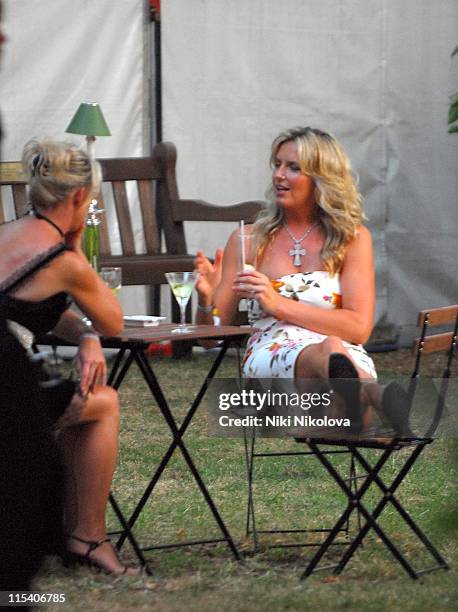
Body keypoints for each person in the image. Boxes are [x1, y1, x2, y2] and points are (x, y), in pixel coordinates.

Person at [195, 126, 410, 434]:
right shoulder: (248, 240)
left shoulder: (351, 239)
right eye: (278, 164)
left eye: (293, 167)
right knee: (333, 354)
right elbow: (210, 337)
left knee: (337, 362)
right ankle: (377, 395)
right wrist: (206, 302)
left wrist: (277, 303)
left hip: (345, 359)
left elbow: (359, 329)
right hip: (273, 354)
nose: (279, 175)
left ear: (321, 178)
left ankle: (354, 397)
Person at [0, 137, 138, 576]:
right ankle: (88, 538)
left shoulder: (8, 232)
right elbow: (115, 321)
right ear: (80, 196)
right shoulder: (62, 258)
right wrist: (78, 248)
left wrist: (85, 336)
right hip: (7, 396)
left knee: (78, 396)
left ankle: (58, 530)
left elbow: (40, 307)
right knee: (103, 402)